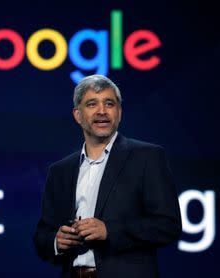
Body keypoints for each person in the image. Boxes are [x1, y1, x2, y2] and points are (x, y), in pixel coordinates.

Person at [33, 75, 182, 278]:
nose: (102, 111)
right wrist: (56, 242)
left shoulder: (147, 157)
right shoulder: (60, 170)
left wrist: (109, 231)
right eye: (92, 104)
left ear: (119, 112)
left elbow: (168, 225)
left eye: (109, 103)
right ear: (77, 115)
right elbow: (43, 235)